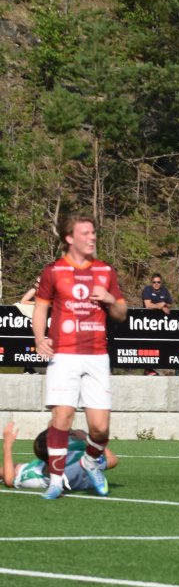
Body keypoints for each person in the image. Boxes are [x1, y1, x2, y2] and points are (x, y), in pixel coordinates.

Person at [32, 213, 128, 500]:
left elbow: (121, 313)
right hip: (64, 354)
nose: (92, 237)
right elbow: (40, 307)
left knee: (100, 429)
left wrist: (109, 299)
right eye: (85, 233)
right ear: (69, 238)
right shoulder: (53, 271)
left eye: (93, 232)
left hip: (97, 355)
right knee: (62, 415)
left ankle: (89, 461)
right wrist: (39, 338)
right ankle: (55, 481)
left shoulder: (106, 271)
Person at [4, 421, 119, 493]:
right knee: (10, 470)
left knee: (11, 470)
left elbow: (9, 480)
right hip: (73, 463)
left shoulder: (35, 475)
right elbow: (112, 460)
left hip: (50, 466)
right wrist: (87, 438)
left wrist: (8, 446)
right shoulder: (77, 467)